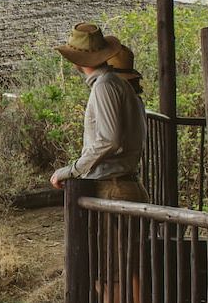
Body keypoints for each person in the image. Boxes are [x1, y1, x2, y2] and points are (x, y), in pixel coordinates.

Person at [50, 24, 148, 203]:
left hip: (113, 189)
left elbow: (109, 140)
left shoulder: (105, 86)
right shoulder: (118, 85)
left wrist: (71, 170)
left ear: (77, 60)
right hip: (121, 186)